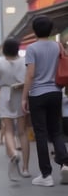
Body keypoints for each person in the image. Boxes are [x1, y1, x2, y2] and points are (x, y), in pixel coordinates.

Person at [22, 15, 68, 186]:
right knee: (56, 131)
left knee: (41, 133)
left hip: (37, 94)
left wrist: (24, 97)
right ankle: (65, 163)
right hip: (56, 92)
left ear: (34, 30)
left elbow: (30, 74)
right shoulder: (58, 46)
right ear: (51, 30)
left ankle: (46, 175)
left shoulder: (32, 49)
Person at [0, 38, 30, 180]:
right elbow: (29, 79)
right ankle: (25, 168)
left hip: (5, 94)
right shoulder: (24, 61)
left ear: (4, 49)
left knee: (8, 130)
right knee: (22, 132)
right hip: (20, 95)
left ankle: (13, 152)